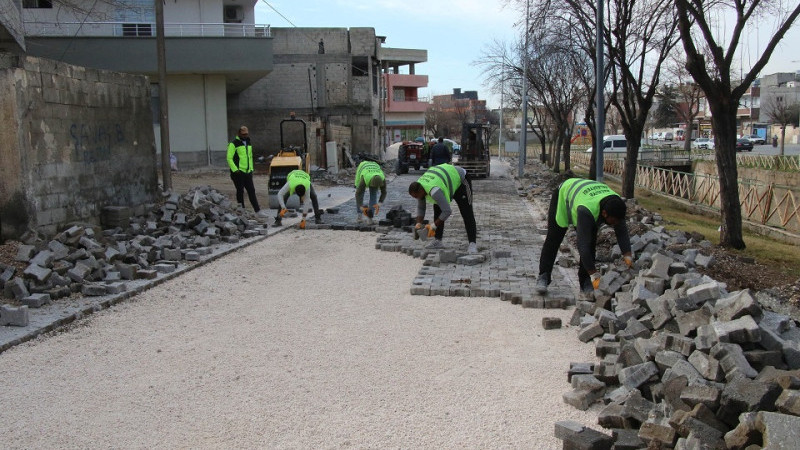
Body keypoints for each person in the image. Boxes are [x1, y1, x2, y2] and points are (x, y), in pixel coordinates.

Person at [535, 178, 633, 296]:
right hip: (564, 195)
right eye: (613, 221)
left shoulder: (616, 204)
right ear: (604, 214)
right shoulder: (587, 210)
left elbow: (622, 231)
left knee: (591, 241)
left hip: (584, 196)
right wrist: (594, 275)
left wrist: (628, 258)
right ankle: (543, 276)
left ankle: (585, 282)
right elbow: (583, 245)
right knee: (554, 238)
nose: (615, 224)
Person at [408, 163, 477, 254]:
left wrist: (432, 226)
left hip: (461, 180)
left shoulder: (434, 190)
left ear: (420, 191)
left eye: (416, 196)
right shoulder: (419, 186)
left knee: (466, 213)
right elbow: (421, 208)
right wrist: (418, 224)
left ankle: (472, 244)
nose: (416, 198)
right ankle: (438, 241)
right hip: (443, 182)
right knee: (437, 210)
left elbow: (447, 211)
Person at [226, 126, 266, 216]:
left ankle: (257, 211)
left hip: (248, 172)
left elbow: (249, 157)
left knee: (251, 190)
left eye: (246, 134)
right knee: (240, 191)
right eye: (243, 134)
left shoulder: (248, 142)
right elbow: (229, 158)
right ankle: (242, 210)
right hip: (238, 172)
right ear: (239, 134)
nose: (245, 136)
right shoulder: (233, 144)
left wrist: (251, 169)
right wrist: (235, 170)